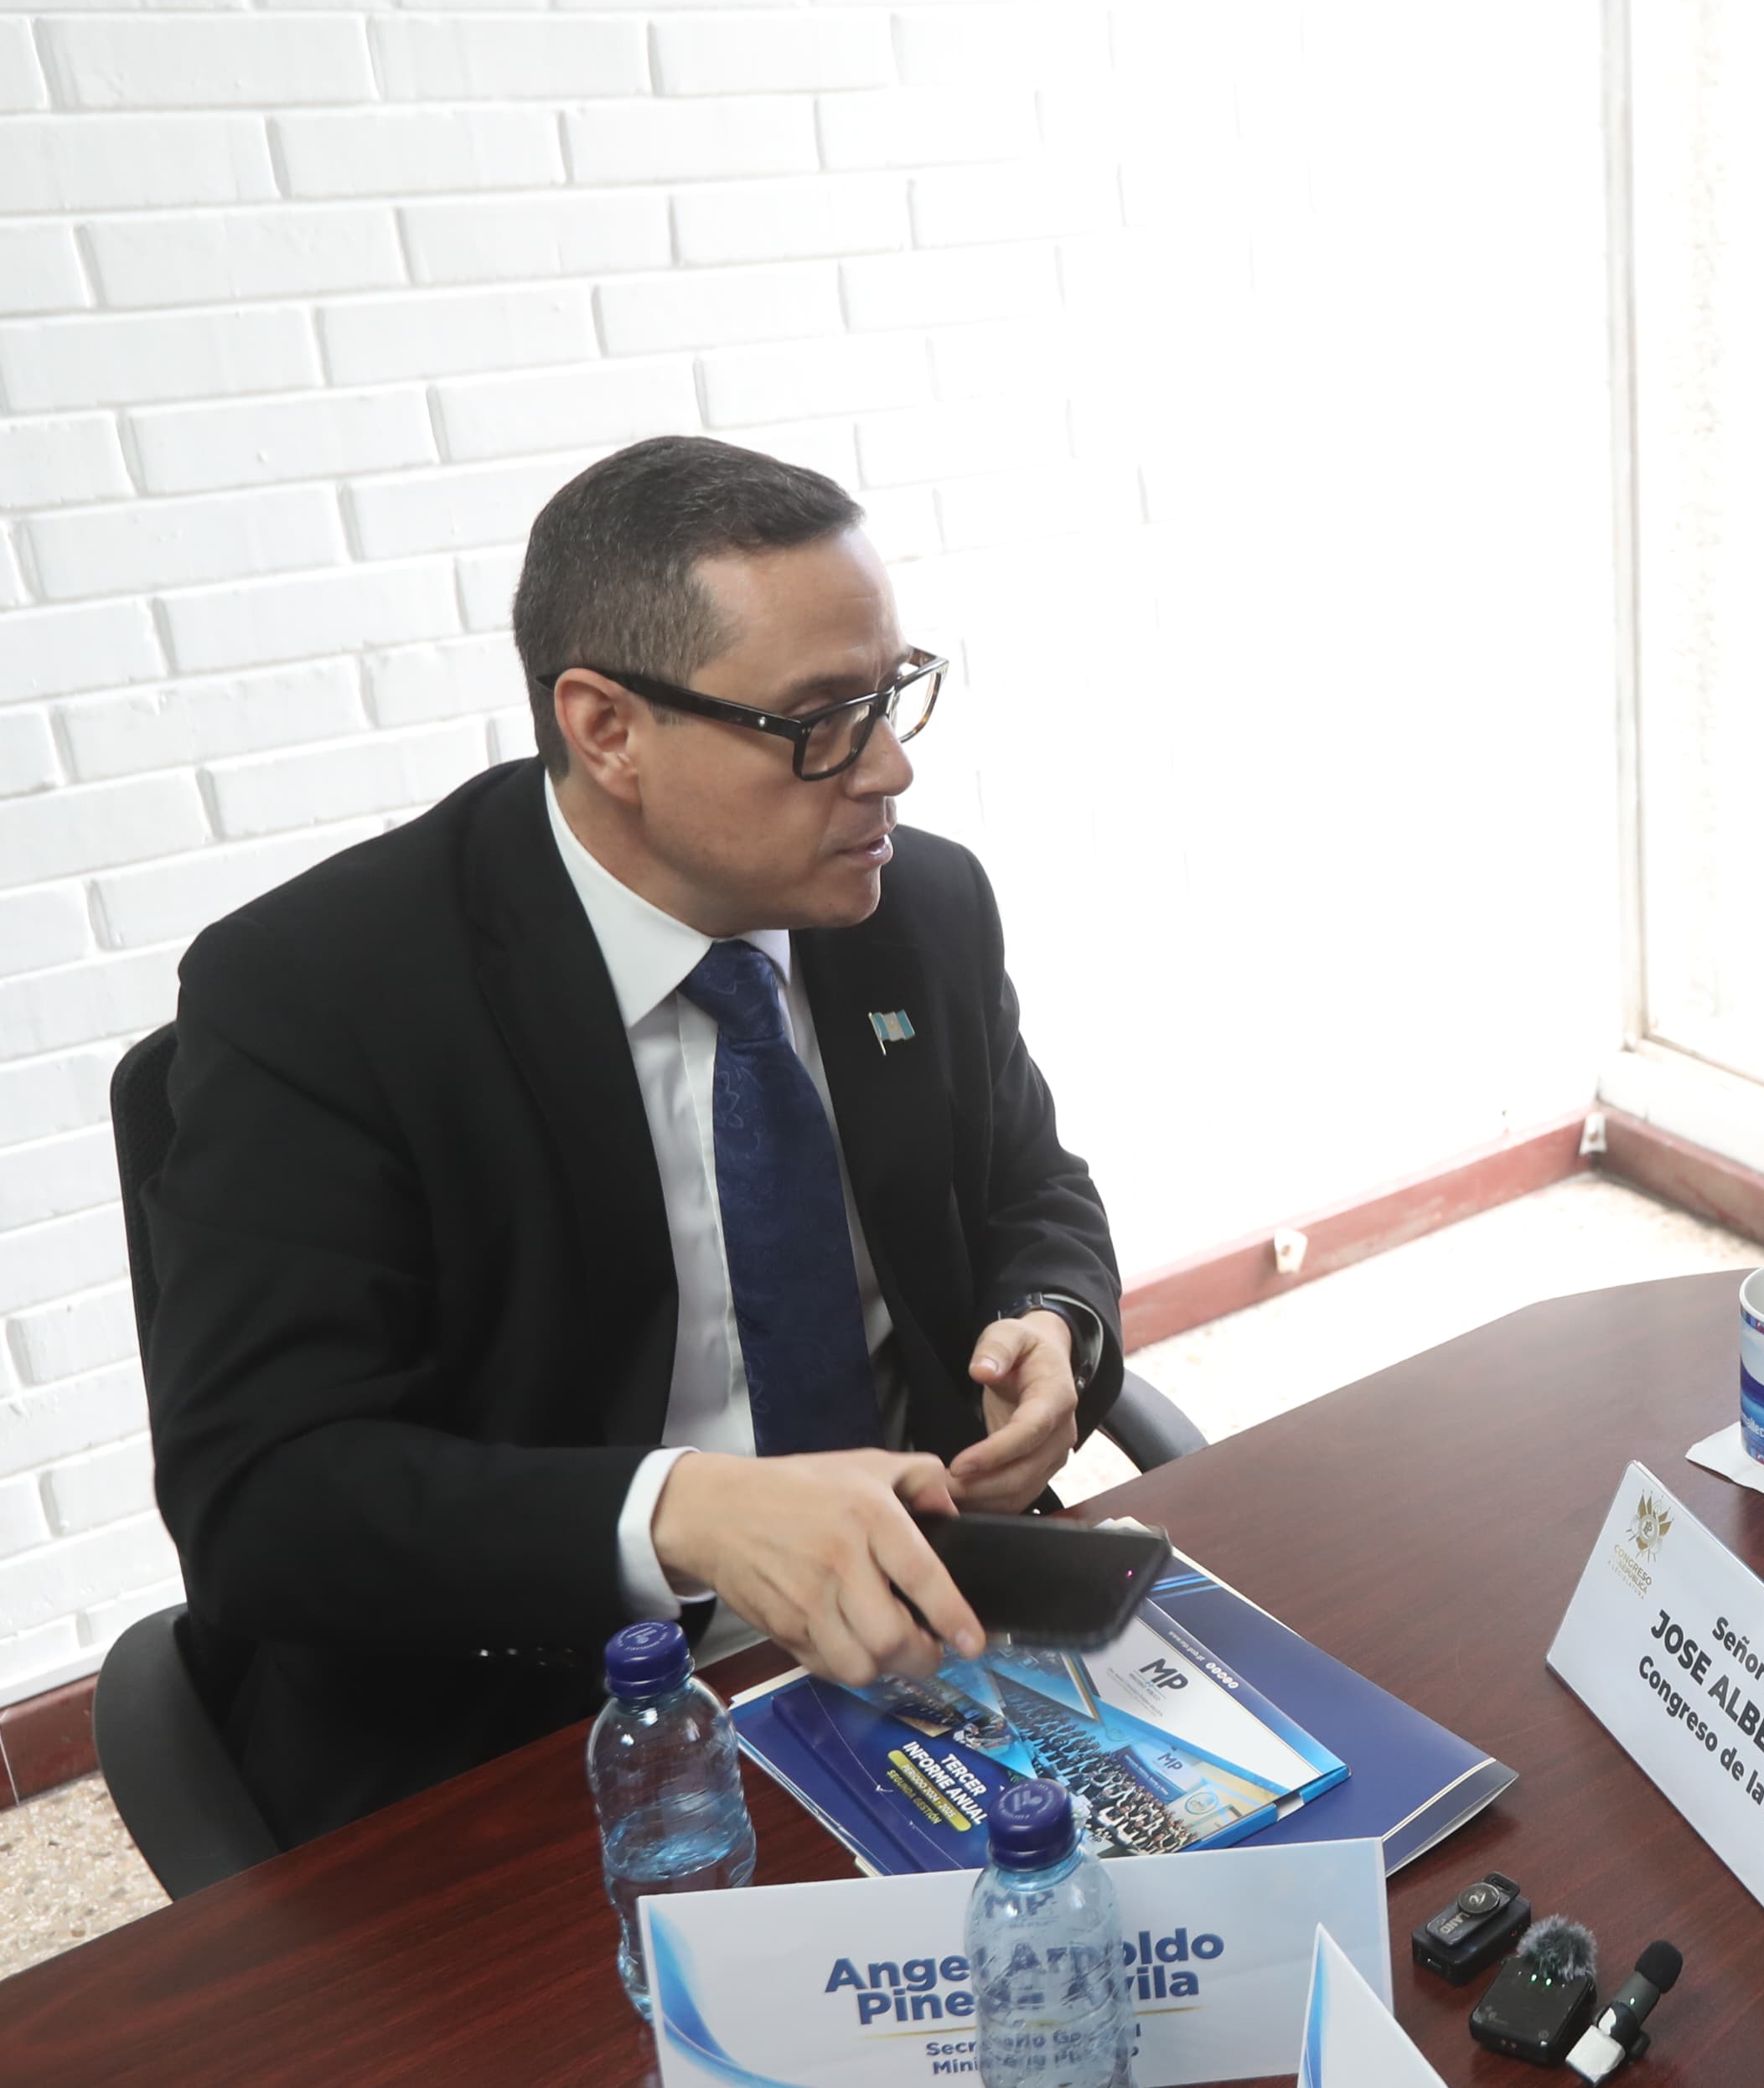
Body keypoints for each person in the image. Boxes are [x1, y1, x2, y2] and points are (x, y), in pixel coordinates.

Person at [142, 437, 1127, 1845]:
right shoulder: (321, 995)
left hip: (932, 1635)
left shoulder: (917, 911)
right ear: (607, 728)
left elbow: (1032, 1181)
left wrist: (1051, 1315)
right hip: (554, 1730)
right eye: (822, 720)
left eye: (893, 693)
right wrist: (686, 1512)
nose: (891, 768)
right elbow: (265, 1502)